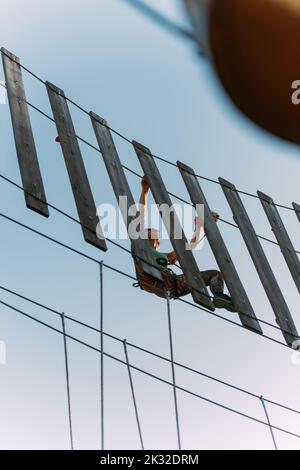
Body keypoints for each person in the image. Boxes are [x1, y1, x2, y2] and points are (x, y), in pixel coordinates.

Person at [134, 176, 235, 312]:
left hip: (173, 285)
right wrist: (145, 191)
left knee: (215, 274)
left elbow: (187, 249)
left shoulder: (164, 256)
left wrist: (199, 226)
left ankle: (218, 296)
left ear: (158, 243)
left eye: (151, 231)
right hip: (150, 279)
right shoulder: (139, 247)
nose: (148, 231)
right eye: (147, 231)